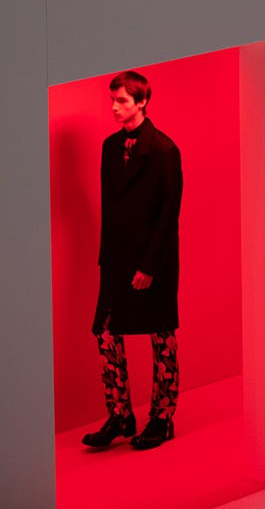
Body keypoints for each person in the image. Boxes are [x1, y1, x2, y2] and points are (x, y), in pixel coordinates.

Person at [81, 71, 183, 450]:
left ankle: (162, 418)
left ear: (142, 102)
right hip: (116, 259)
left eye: (122, 100)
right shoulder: (110, 147)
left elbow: (168, 214)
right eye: (112, 100)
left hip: (153, 260)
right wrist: (106, 259)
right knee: (106, 334)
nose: (114, 107)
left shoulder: (164, 150)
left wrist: (149, 267)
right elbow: (110, 209)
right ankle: (120, 415)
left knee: (161, 336)